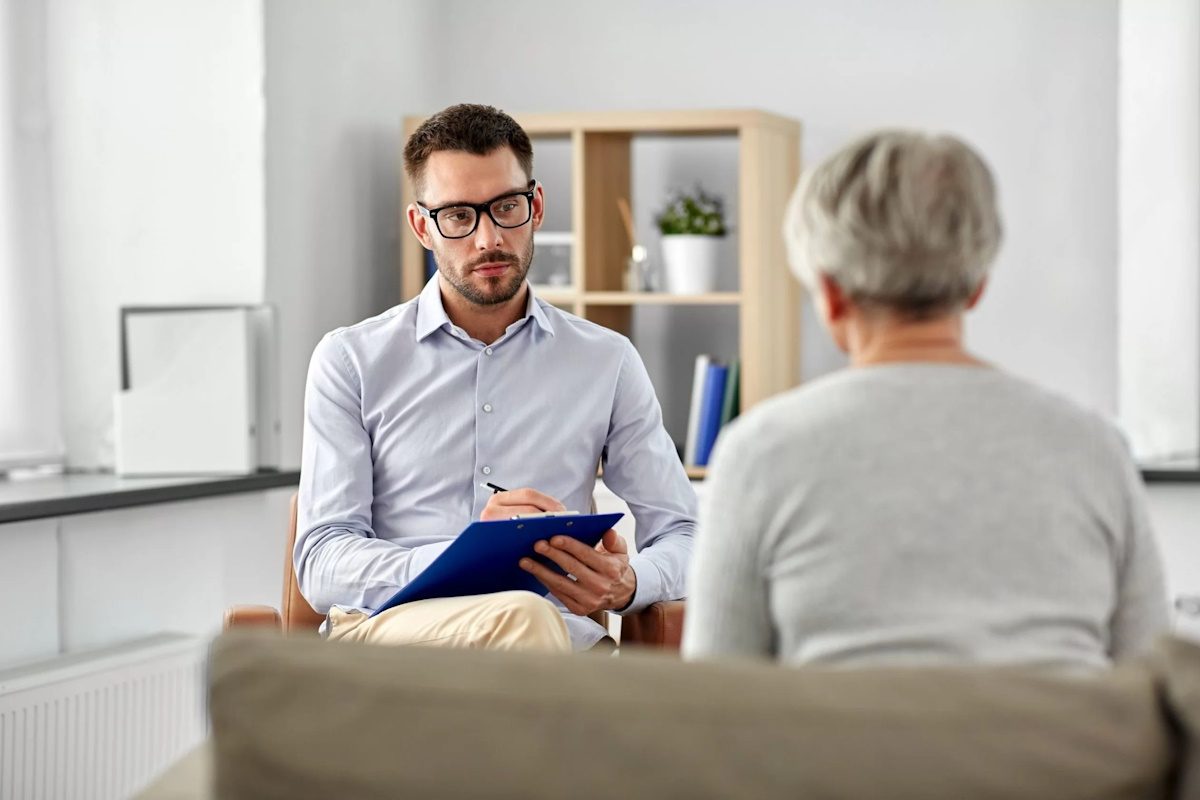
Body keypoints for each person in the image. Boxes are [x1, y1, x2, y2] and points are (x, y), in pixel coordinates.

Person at [682, 130, 1168, 669]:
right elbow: (1155, 683)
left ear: (832, 294)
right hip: (1057, 729)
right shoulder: (1094, 448)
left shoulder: (759, 453)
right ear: (977, 285)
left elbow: (717, 696)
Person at [295, 103, 695, 652]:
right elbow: (321, 561)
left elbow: (685, 532)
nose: (488, 239)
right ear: (422, 226)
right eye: (459, 215)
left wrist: (629, 583)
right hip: (394, 644)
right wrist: (471, 556)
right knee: (523, 617)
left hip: (558, 645)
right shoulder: (349, 360)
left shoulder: (608, 361)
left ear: (536, 207)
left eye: (506, 207)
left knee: (531, 623)